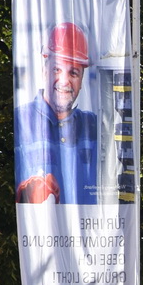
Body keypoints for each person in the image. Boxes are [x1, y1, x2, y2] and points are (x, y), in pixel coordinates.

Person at [15, 21, 103, 204]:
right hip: (38, 232)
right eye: (57, 69)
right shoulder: (19, 121)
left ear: (82, 78)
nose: (64, 81)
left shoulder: (97, 128)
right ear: (44, 70)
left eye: (73, 73)